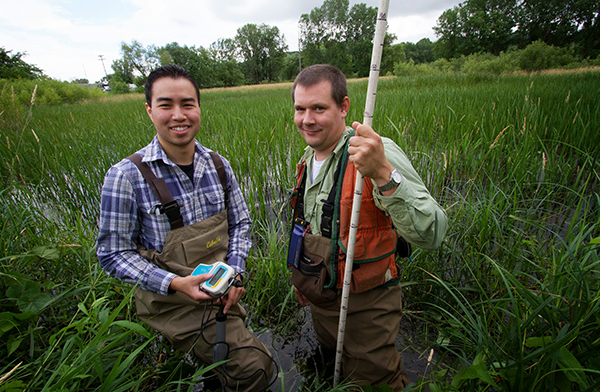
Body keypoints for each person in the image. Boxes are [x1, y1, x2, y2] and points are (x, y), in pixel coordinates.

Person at [97, 64, 274, 391]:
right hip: (172, 305)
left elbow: (241, 224)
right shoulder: (125, 176)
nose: (179, 114)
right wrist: (177, 283)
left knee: (229, 366)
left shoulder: (218, 165)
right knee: (256, 368)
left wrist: (235, 274)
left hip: (222, 294)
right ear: (150, 110)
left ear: (199, 108)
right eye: (166, 105)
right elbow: (112, 254)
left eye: (188, 104)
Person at [287, 64, 448, 390]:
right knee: (332, 363)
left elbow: (433, 233)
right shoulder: (308, 157)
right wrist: (303, 279)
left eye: (319, 108)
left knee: (375, 381)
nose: (308, 119)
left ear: (344, 107)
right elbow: (311, 227)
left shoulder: (375, 151)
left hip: (366, 303)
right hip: (321, 295)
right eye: (300, 109)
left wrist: (383, 173)